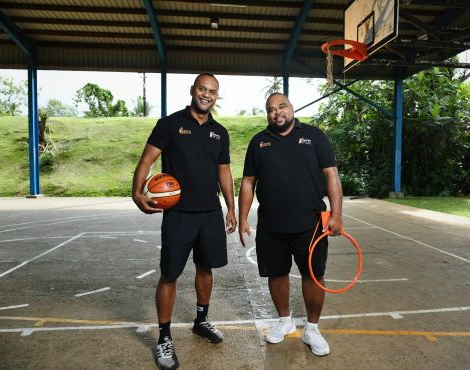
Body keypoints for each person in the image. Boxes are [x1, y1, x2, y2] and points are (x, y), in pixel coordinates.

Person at [132, 73, 236, 370]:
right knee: (170, 275)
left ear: (217, 96)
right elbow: (147, 159)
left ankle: (201, 320)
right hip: (178, 214)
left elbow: (224, 172)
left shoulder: (220, 132)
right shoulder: (170, 124)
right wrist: (136, 193)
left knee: (206, 269)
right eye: (202, 89)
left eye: (212, 91)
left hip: (210, 213)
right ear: (193, 90)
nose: (206, 95)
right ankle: (164, 337)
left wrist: (231, 208)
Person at [238, 92, 343, 356]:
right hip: (271, 225)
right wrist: (242, 218)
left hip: (310, 224)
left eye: (281, 106)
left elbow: (331, 175)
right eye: (271, 109)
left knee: (313, 275)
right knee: (276, 274)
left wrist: (337, 214)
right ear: (267, 114)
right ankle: (284, 322)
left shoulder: (315, 136)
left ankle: (312, 328)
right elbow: (248, 182)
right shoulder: (258, 142)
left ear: (292, 108)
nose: (277, 112)